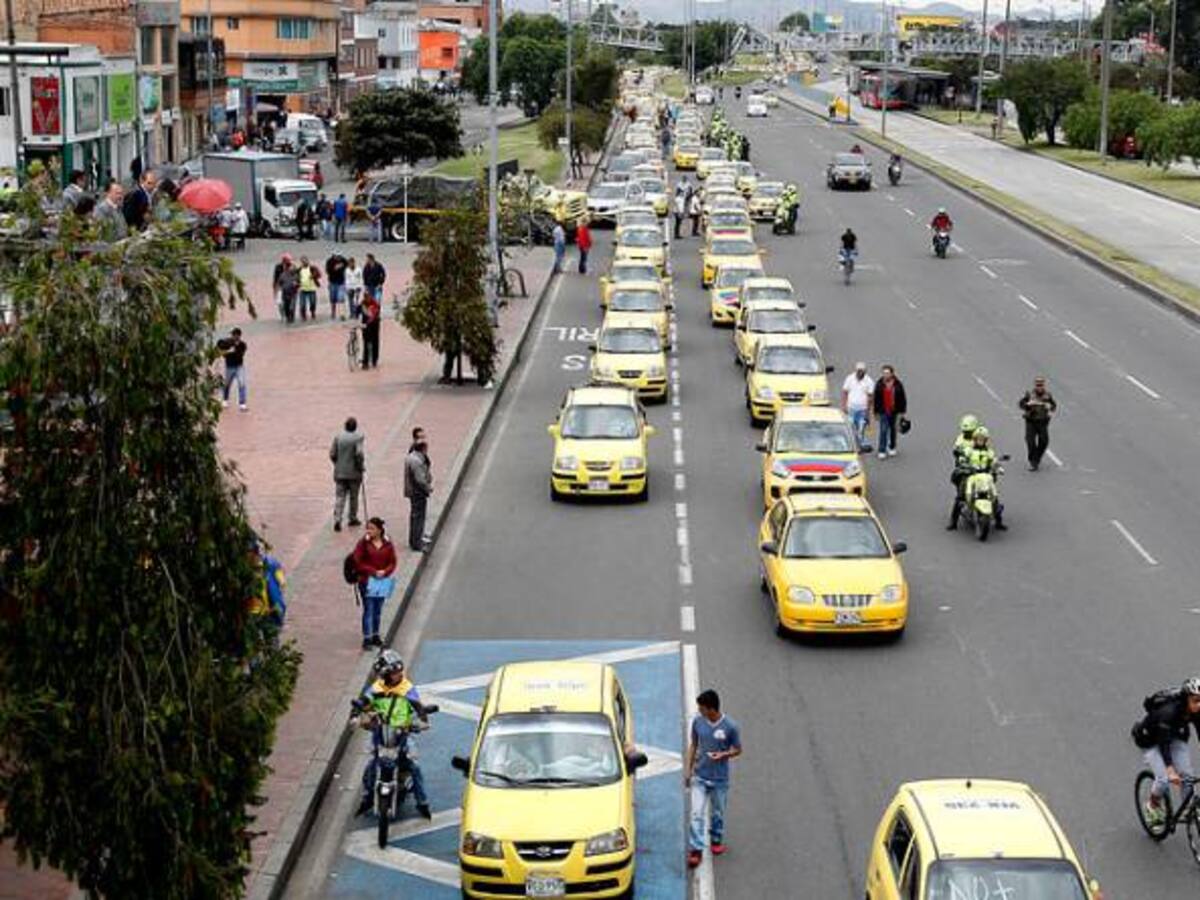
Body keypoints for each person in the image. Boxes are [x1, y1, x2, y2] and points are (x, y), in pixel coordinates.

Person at [353, 650, 431, 819]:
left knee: (414, 768)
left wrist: (422, 722)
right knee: (371, 766)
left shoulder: (407, 688)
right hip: (381, 733)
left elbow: (417, 706)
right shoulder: (376, 688)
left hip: (402, 733)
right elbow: (364, 702)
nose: (398, 675)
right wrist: (357, 716)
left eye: (399, 672)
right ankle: (367, 797)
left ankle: (422, 802)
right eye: (394, 673)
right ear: (385, 675)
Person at [685, 689, 742, 869]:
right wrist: (688, 770)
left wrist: (724, 754)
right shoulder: (697, 722)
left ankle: (716, 838)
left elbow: (738, 749)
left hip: (720, 780)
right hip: (700, 777)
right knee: (696, 813)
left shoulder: (731, 726)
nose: (699, 711)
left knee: (718, 813)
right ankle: (696, 849)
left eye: (701, 708)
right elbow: (694, 744)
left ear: (711, 709)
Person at [1137, 678, 1200, 827]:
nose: (1199, 704)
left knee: (1187, 776)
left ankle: (1189, 809)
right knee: (1164, 779)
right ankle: (1152, 806)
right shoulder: (1169, 712)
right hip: (1152, 740)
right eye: (1196, 700)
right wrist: (1170, 769)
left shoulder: (1197, 711)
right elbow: (1163, 744)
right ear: (1186, 700)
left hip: (1174, 736)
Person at [948, 426, 1006, 530]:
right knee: (961, 496)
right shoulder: (969, 450)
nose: (980, 440)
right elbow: (962, 457)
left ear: (986, 440)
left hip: (985, 475)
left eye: (982, 439)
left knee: (994, 495)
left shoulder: (989, 452)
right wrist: (962, 461)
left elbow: (994, 461)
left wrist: (998, 467)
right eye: (978, 438)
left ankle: (999, 521)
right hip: (971, 475)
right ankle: (953, 522)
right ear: (974, 439)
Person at [352, 519, 396, 650]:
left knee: (378, 610)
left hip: (382, 582)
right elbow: (357, 561)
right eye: (368, 528)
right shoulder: (363, 544)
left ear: (379, 530)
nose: (369, 531)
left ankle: (376, 635)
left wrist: (385, 571)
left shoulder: (388, 544)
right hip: (366, 581)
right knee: (368, 609)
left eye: (372, 528)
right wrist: (373, 571)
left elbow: (393, 562)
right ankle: (367, 638)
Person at [330, 417, 365, 533]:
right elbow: (359, 454)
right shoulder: (358, 438)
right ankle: (352, 518)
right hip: (354, 473)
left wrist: (337, 463)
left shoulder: (338, 437)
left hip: (340, 472)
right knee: (353, 497)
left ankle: (337, 519)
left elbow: (332, 454)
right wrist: (360, 466)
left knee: (340, 497)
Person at [1018, 376, 1057, 471]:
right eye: (1038, 385)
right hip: (1031, 421)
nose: (1039, 387)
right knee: (1030, 441)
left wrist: (1050, 406)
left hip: (1043, 422)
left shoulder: (1048, 395)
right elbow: (1021, 404)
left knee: (1044, 441)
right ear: (1035, 385)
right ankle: (1033, 461)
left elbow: (1054, 406)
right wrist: (1028, 404)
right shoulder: (1029, 394)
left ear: (1044, 385)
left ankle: (1037, 457)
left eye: (1041, 385)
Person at [404, 428, 432, 552]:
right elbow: (420, 479)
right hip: (417, 492)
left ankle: (416, 538)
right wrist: (428, 487)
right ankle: (417, 543)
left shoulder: (415, 457)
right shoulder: (416, 460)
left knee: (416, 516)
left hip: (414, 491)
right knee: (418, 517)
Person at [872, 364, 907, 459]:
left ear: (892, 374)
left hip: (894, 411)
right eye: (884, 373)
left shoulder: (898, 384)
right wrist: (875, 412)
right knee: (883, 430)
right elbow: (876, 399)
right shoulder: (879, 384)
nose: (885, 375)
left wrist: (902, 411)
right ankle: (881, 450)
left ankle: (892, 446)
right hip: (883, 411)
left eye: (887, 373)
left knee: (893, 430)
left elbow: (902, 398)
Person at [841, 362, 875, 450]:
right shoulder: (849, 378)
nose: (860, 373)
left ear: (865, 371)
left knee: (861, 428)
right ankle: (851, 444)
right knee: (851, 427)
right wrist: (844, 406)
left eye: (862, 371)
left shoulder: (869, 381)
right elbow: (845, 392)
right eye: (859, 371)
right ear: (856, 371)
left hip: (862, 409)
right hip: (851, 408)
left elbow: (870, 398)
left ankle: (859, 445)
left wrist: (868, 412)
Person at [217, 327, 249, 411]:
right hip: (229, 367)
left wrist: (236, 348)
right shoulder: (227, 342)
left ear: (238, 336)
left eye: (234, 335)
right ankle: (225, 400)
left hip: (239, 367)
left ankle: (242, 404)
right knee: (227, 384)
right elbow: (221, 352)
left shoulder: (242, 345)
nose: (232, 337)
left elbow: (240, 354)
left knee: (242, 384)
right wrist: (229, 351)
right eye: (232, 335)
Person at [361, 291, 381, 369]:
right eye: (366, 297)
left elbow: (374, 315)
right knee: (366, 342)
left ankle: (374, 360)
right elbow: (357, 312)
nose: (367, 299)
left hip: (374, 324)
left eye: (368, 297)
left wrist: (370, 319)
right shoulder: (362, 304)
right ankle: (365, 362)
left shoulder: (375, 304)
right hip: (366, 325)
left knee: (375, 341)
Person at [297, 255, 321, 321]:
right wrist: (297, 283)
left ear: (308, 261)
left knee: (313, 302)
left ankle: (312, 312)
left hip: (312, 289)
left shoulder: (312, 268)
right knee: (302, 304)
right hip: (303, 289)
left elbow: (319, 274)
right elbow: (296, 277)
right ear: (301, 262)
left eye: (305, 261)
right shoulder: (299, 269)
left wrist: (313, 275)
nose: (304, 262)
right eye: (302, 261)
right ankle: (303, 315)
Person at [325, 251, 348, 320]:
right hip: (332, 282)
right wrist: (335, 268)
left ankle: (342, 314)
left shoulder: (343, 260)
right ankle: (333, 312)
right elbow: (327, 271)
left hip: (341, 283)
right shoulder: (329, 261)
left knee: (341, 298)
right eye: (337, 256)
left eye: (340, 256)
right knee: (333, 299)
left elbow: (347, 266)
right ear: (334, 256)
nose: (339, 258)